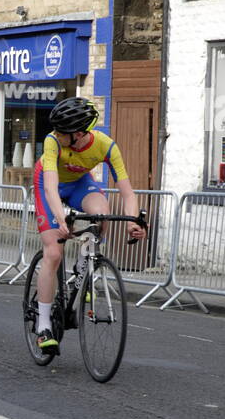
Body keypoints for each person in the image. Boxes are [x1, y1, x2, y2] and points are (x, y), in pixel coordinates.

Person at [31, 96, 145, 357]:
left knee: (102, 213)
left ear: (80, 134)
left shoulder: (106, 146)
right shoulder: (51, 142)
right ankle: (44, 326)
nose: (56, 135)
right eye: (57, 131)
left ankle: (85, 264)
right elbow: (50, 187)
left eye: (63, 132)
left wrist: (134, 221)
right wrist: (60, 219)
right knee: (54, 253)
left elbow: (127, 192)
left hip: (79, 183)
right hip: (48, 183)